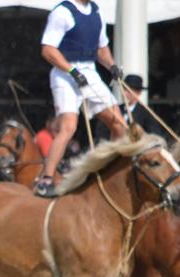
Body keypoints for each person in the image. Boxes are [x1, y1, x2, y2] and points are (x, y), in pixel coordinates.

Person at [34, 0, 127, 197]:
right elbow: (48, 50)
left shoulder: (96, 12)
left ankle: (111, 171)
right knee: (68, 127)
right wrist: (72, 71)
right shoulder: (62, 12)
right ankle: (46, 180)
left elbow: (101, 48)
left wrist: (111, 65)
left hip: (90, 73)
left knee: (119, 124)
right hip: (65, 75)